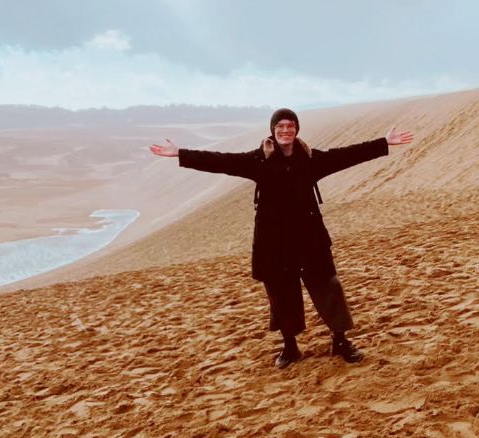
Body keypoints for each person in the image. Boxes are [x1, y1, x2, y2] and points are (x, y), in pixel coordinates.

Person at [151, 109, 413, 369]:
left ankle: (340, 340)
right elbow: (221, 161)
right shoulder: (259, 160)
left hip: (311, 240)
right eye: (281, 127)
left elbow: (347, 155)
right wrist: (180, 153)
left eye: (290, 126)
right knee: (281, 295)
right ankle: (290, 347)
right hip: (274, 244)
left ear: (296, 129)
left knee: (328, 288)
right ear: (273, 130)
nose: (286, 131)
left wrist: (383, 143)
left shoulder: (310, 159)